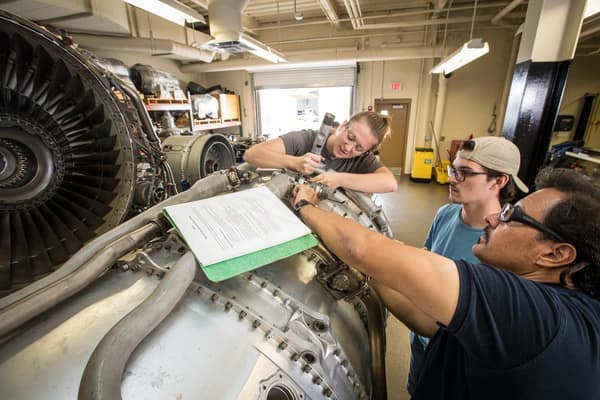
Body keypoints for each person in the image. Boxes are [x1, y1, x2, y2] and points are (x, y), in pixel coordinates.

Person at [291, 167, 600, 399]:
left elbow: (361, 248)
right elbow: (433, 326)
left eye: (511, 215)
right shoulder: (569, 308)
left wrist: (307, 207)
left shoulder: (528, 312)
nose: (495, 218)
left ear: (555, 254)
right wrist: (368, 275)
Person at [406, 136, 529, 394]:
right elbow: (428, 255)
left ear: (499, 181)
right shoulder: (446, 213)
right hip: (421, 341)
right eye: (453, 169)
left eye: (465, 173)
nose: (452, 178)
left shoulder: (507, 242)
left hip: (457, 357)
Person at [243, 111, 398, 193]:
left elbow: (390, 183)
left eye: (359, 148)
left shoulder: (361, 159)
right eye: (350, 137)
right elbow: (251, 154)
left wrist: (339, 179)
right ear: (343, 126)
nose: (349, 148)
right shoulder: (306, 139)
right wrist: (294, 162)